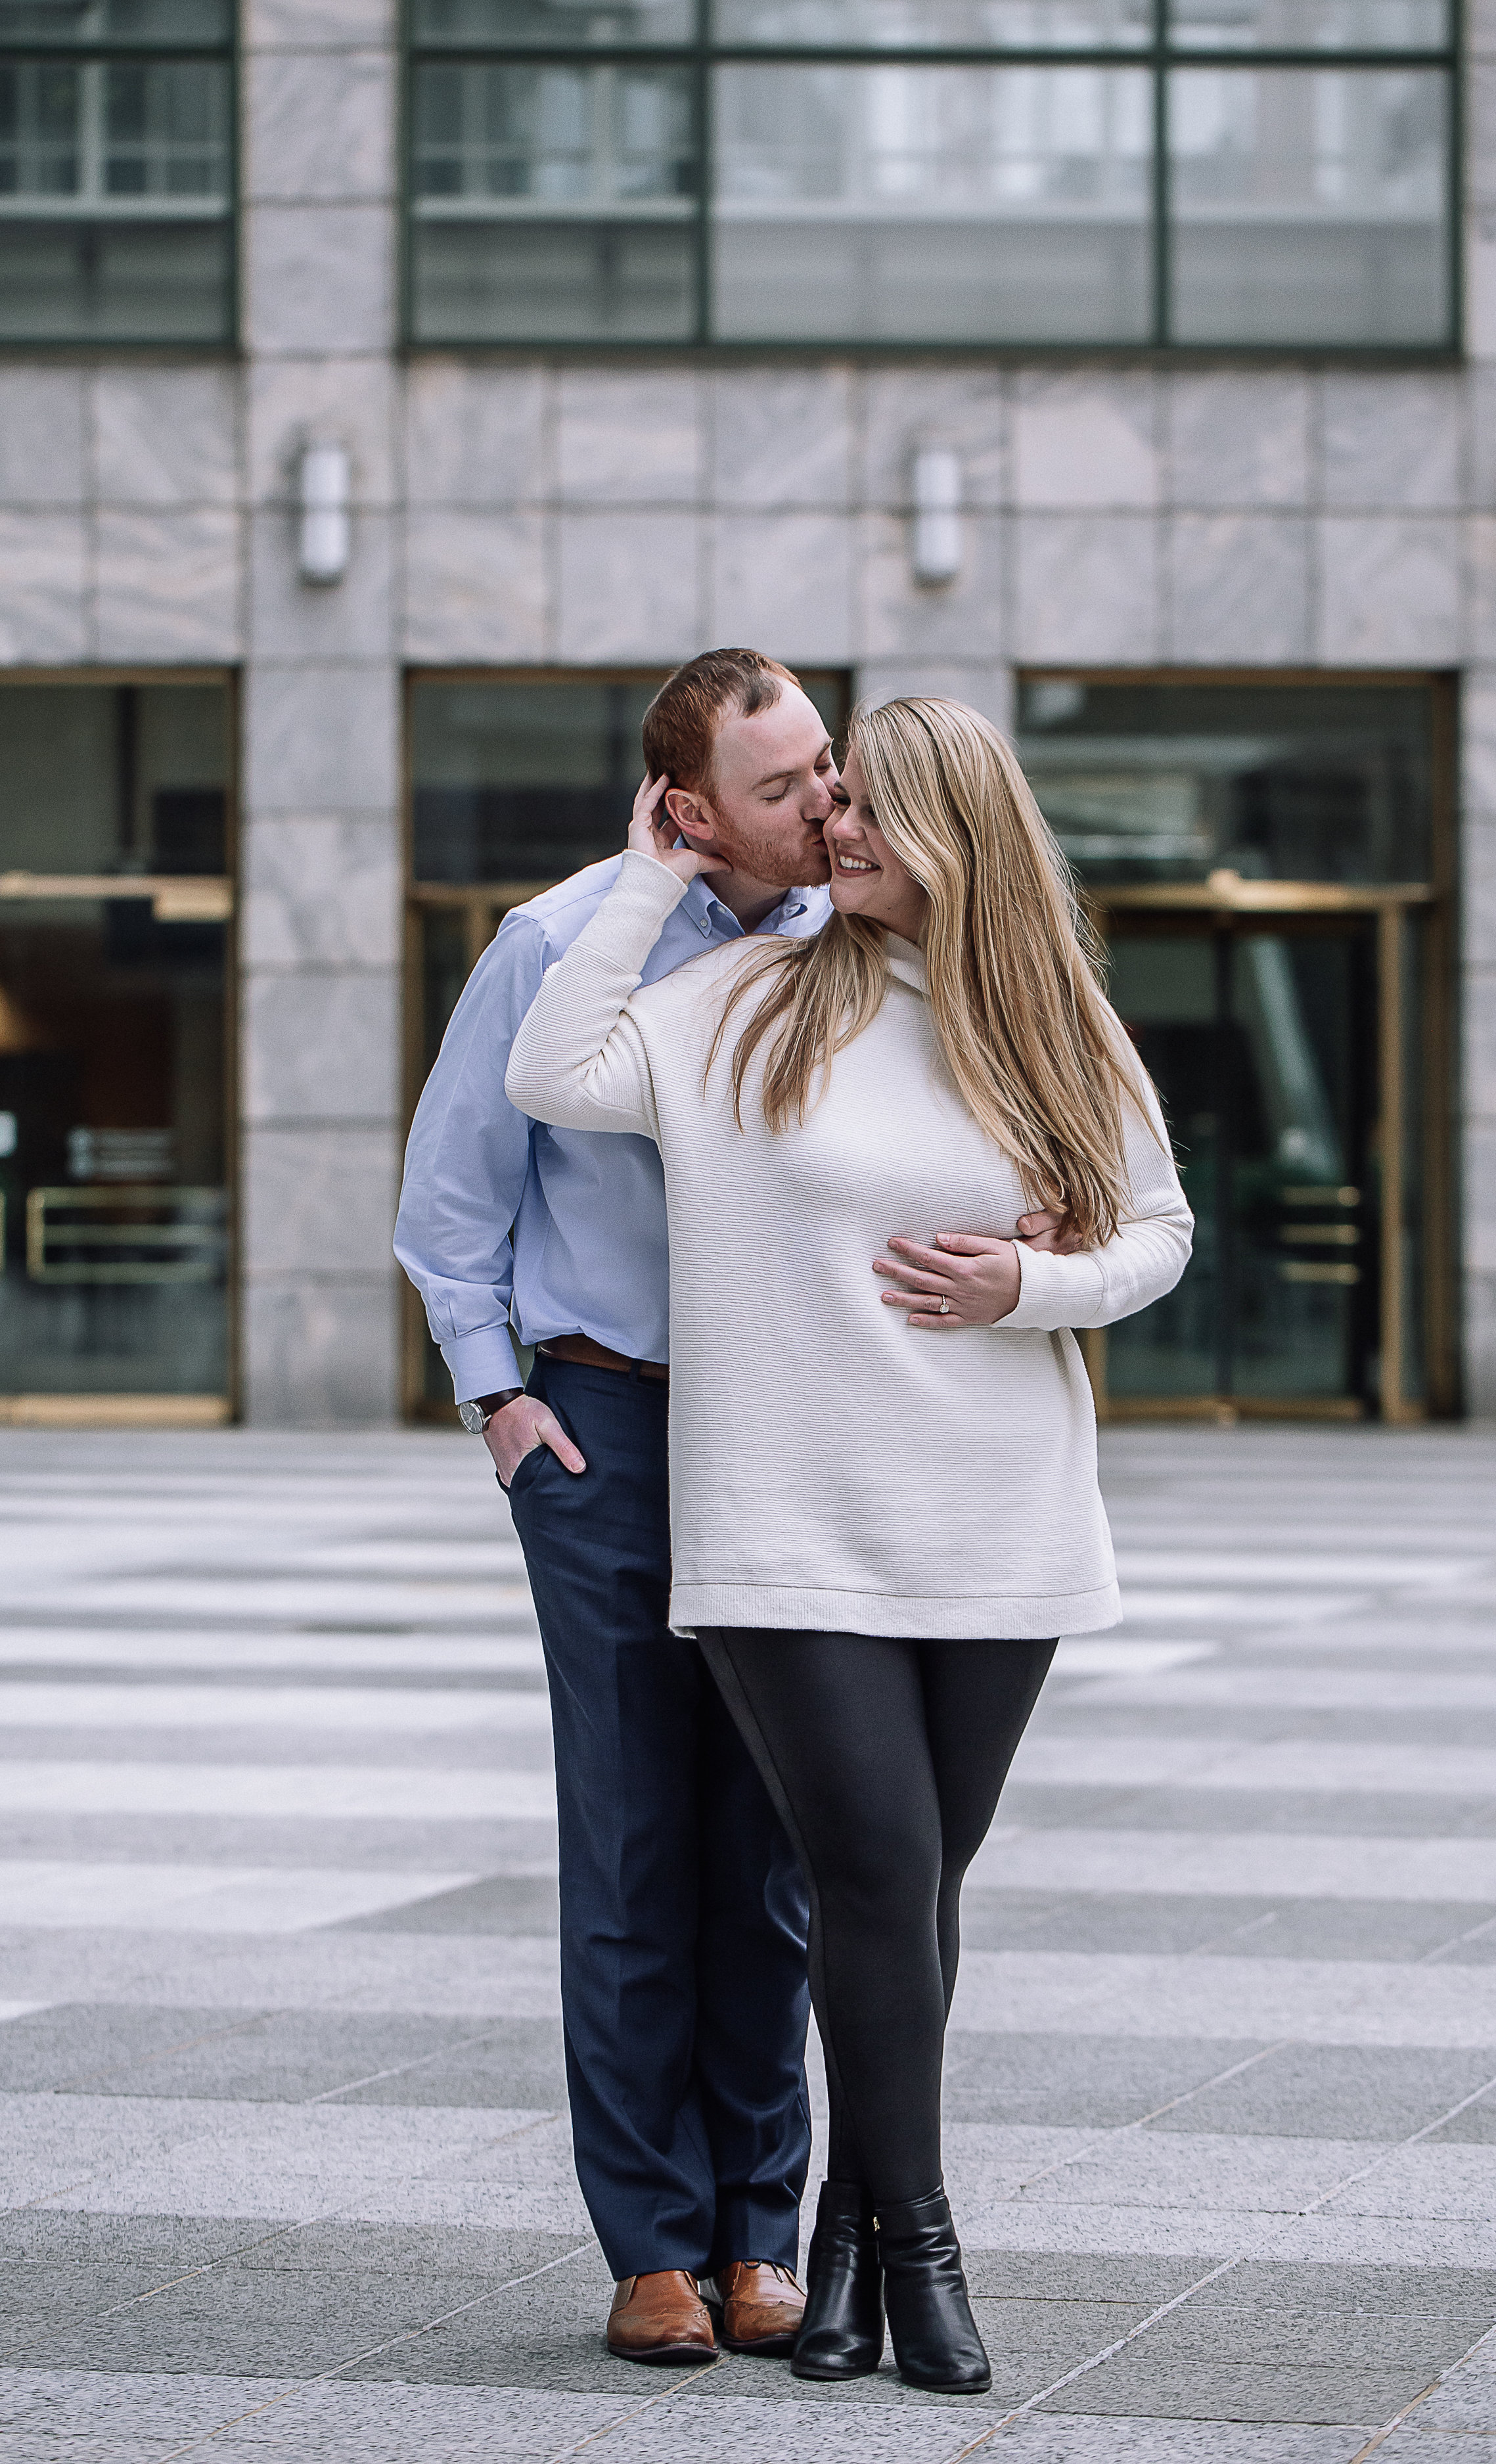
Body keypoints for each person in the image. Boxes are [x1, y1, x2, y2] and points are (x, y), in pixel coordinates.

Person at [503, 695, 1194, 2394]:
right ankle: (928, 2246)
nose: (838, 829)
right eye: (833, 804)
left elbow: (1158, 1231)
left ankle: (840, 2241)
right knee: (872, 1874)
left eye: (875, 809)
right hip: (781, 1528)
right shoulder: (735, 1001)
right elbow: (553, 1071)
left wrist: (1031, 1283)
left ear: (959, 829)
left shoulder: (1041, 1019)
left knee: (913, 1888)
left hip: (992, 1514)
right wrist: (648, 871)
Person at [394, 652, 1073, 2369]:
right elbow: (456, 1198)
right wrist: (505, 1400)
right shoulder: (560, 946)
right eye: (781, 789)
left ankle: (761, 2234)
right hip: (608, 1426)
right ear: (683, 807)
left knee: (788, 1849)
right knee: (634, 1840)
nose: (823, 804)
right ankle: (652, 2248)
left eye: (825, 767)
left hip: (797, 1433)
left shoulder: (846, 952)